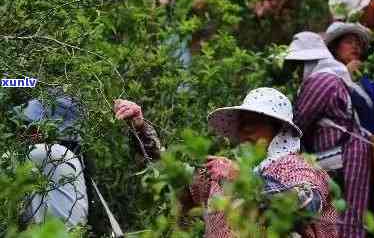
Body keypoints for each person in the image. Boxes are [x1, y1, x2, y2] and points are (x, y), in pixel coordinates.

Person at [113, 89, 338, 237]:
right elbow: (171, 173)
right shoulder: (223, 173)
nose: (245, 129)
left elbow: (306, 203)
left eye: (255, 122)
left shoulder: (295, 167)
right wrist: (141, 127)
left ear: (279, 130)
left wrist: (245, 180)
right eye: (243, 123)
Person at [285, 32, 373, 237]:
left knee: (348, 219)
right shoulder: (332, 77)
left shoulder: (321, 81)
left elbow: (298, 123)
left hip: (347, 154)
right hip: (341, 155)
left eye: (299, 65)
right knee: (342, 217)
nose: (297, 72)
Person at [13, 95, 88, 228]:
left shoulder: (46, 152)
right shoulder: (70, 157)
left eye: (30, 125)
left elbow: (5, 164)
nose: (22, 133)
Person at [324, 22, 374, 135]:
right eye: (349, 42)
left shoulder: (366, 78)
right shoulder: (326, 75)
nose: (355, 46)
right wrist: (345, 74)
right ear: (334, 48)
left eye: (358, 43)